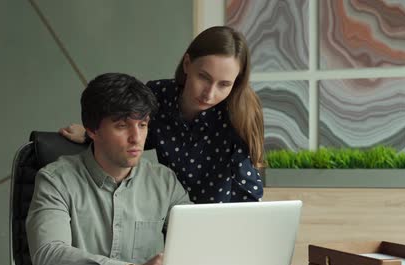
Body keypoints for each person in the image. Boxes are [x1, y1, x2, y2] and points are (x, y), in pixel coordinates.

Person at [61, 26, 265, 204]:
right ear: (187, 64)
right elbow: (132, 137)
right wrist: (93, 132)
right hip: (168, 215)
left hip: (223, 221)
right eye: (203, 77)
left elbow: (247, 190)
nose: (210, 94)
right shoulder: (157, 95)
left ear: (236, 82)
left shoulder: (241, 112)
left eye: (224, 84)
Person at [26, 73, 191, 265]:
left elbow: (197, 243)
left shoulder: (164, 182)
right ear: (92, 130)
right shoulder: (56, 180)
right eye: (122, 126)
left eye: (142, 125)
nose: (137, 137)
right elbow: (49, 257)